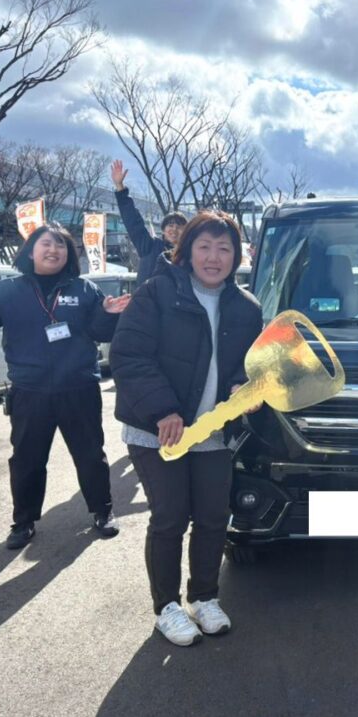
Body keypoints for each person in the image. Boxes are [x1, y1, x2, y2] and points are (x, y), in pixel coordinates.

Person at [110, 211, 263, 647]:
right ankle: (167, 607)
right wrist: (163, 410)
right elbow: (129, 356)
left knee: (213, 517)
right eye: (204, 247)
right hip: (160, 430)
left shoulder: (247, 307)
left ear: (236, 255)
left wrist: (242, 386)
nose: (214, 257)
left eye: (224, 248)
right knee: (170, 517)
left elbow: (247, 365)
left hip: (212, 431)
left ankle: (204, 597)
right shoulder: (156, 292)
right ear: (187, 251)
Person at [0, 226, 131, 550]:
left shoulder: (84, 289)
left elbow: (100, 333)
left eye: (62, 245)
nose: (54, 250)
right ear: (31, 250)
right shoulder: (8, 290)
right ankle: (23, 522)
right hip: (29, 390)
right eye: (47, 244)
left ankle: (103, 511)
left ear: (69, 254)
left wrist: (108, 314)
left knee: (90, 455)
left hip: (79, 387)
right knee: (27, 460)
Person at [111, 160, 187, 284]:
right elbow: (133, 222)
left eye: (179, 226)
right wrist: (120, 189)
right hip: (148, 296)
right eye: (170, 225)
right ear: (163, 230)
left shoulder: (190, 254)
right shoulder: (150, 246)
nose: (174, 229)